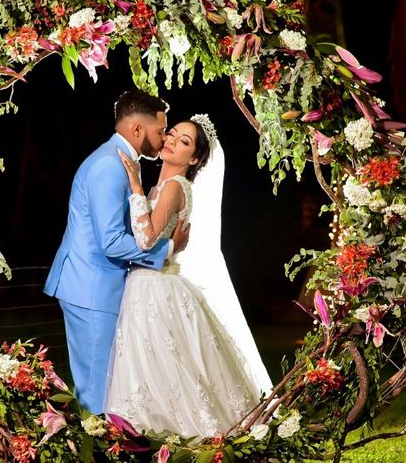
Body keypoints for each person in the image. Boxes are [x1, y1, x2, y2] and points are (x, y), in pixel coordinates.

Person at [104, 114, 273, 438]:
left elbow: (147, 238)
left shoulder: (173, 187)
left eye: (184, 142)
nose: (171, 140)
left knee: (165, 369)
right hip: (148, 282)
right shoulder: (163, 186)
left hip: (154, 287)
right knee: (158, 370)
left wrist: (136, 187)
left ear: (194, 158)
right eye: (173, 133)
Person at [44, 89, 191, 415]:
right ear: (137, 129)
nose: (164, 137)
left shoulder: (120, 162)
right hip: (91, 286)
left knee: (107, 381)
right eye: (160, 130)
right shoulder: (110, 166)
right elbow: (111, 241)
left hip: (97, 284)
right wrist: (166, 249)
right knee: (97, 386)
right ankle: (97, 448)